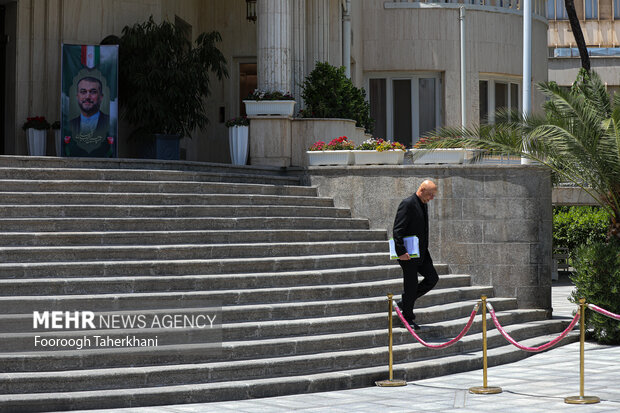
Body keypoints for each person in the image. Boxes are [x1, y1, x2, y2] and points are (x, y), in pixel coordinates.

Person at [392, 180, 439, 330]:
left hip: (422, 252)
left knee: (432, 278)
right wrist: (401, 252)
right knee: (411, 285)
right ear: (422, 190)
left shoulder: (423, 203)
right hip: (408, 254)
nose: (432, 198)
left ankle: (405, 302)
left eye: (433, 195)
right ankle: (407, 318)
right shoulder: (407, 204)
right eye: (430, 194)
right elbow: (397, 230)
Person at [67, 76, 114, 157]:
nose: (88, 96)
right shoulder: (69, 125)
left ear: (101, 97)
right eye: (83, 92)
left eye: (93, 92)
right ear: (77, 96)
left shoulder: (110, 124)